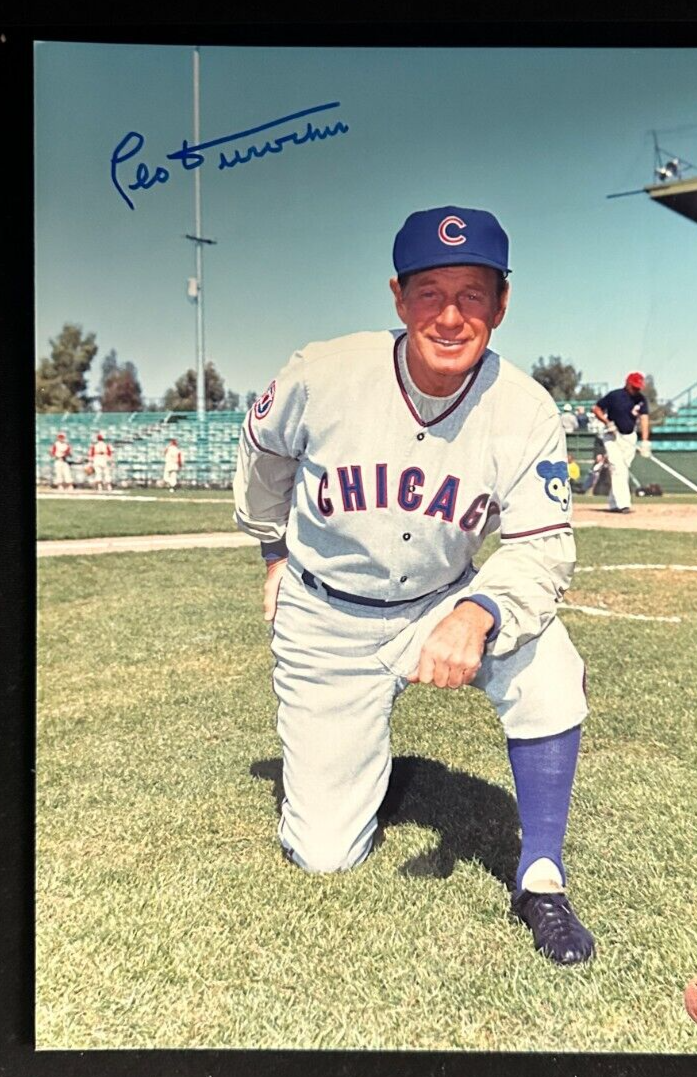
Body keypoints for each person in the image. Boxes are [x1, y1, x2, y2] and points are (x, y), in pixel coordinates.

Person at [233, 205, 596, 965]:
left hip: (436, 597)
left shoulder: (525, 408)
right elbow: (262, 450)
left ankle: (542, 877)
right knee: (325, 852)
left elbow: (542, 546)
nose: (451, 315)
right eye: (430, 292)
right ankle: (366, 764)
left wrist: (478, 609)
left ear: (501, 303)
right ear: (398, 297)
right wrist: (272, 549)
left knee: (548, 661)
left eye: (473, 293)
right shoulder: (323, 373)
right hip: (326, 614)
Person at [592, 372, 652, 513]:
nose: (637, 390)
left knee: (622, 469)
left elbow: (644, 419)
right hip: (612, 436)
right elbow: (596, 408)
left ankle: (614, 503)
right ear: (628, 383)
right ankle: (624, 504)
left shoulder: (641, 399)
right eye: (634, 386)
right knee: (617, 467)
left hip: (629, 437)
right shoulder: (615, 396)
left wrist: (645, 441)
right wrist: (607, 422)